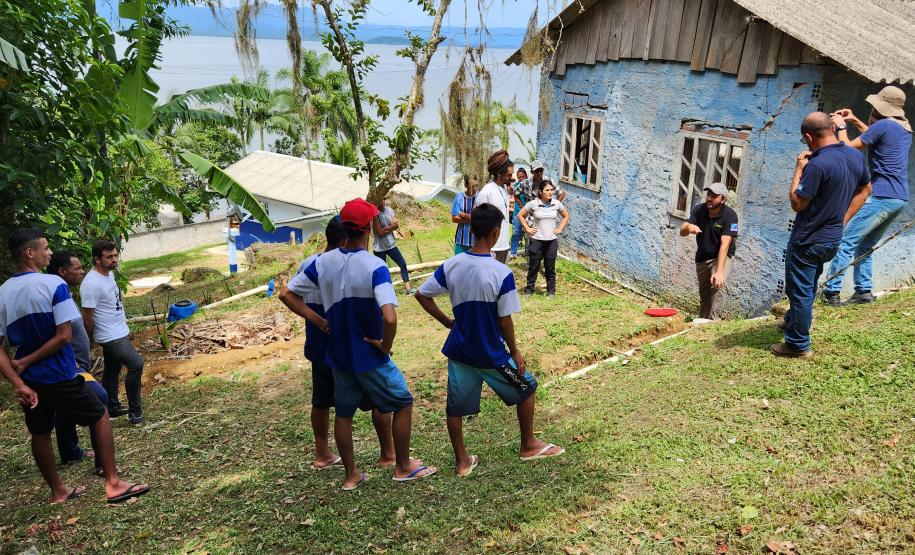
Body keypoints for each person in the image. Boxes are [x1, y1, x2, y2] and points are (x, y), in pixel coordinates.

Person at [296, 198, 437, 490]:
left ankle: (351, 475)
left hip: (338, 354)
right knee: (403, 401)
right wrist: (384, 345)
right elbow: (390, 316)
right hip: (369, 355)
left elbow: (286, 294)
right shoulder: (375, 266)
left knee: (343, 414)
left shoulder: (322, 262)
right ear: (367, 230)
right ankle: (402, 465)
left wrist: (319, 321)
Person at [415, 203, 564, 476]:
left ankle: (462, 461)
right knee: (528, 388)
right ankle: (528, 444)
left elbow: (422, 295)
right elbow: (504, 320)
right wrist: (515, 352)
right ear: (496, 232)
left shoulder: (451, 265)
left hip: (460, 350)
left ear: (472, 229)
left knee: (455, 408)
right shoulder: (501, 272)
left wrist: (447, 321)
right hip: (490, 353)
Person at [0, 229, 149, 504]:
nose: (49, 252)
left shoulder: (3, 292)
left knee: (40, 432)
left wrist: (19, 381)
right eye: (45, 247)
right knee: (100, 414)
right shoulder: (53, 285)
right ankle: (113, 483)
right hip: (60, 372)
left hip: (30, 380)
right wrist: (28, 360)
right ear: (30, 253)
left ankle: (58, 491)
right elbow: (64, 336)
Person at [279, 217, 397, 471]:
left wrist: (317, 321)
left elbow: (288, 295)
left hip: (319, 346)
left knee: (322, 401)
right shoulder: (351, 264)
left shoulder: (309, 263)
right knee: (379, 399)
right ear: (348, 238)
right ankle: (388, 453)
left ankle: (322, 452)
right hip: (354, 346)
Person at [772, 112, 870, 358]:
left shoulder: (817, 164)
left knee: (800, 289)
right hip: (832, 239)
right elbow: (865, 190)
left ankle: (797, 344)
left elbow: (798, 203)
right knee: (807, 283)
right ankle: (792, 319)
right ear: (832, 129)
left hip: (808, 239)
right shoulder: (855, 156)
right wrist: (843, 219)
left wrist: (798, 169)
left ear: (808, 137)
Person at [823, 86, 912, 305]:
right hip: (898, 197)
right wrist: (854, 120)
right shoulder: (902, 126)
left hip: (882, 195)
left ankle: (831, 293)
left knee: (847, 241)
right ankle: (863, 292)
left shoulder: (882, 126)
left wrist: (841, 126)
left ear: (881, 108)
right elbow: (872, 136)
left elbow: (849, 148)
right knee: (865, 246)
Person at [47, 251, 108, 474]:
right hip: (70, 365)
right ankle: (103, 464)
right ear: (62, 271)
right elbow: (53, 334)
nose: (82, 271)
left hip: (77, 363)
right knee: (99, 398)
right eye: (78, 268)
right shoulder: (52, 293)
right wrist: (71, 361)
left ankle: (70, 452)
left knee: (64, 409)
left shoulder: (63, 291)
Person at [80, 240, 145, 424]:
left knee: (112, 369)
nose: (114, 259)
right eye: (109, 257)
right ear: (97, 259)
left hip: (118, 330)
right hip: (109, 335)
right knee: (136, 364)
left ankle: (111, 406)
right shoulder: (91, 283)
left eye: (115, 255)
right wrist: (89, 340)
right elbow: (87, 317)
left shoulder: (108, 274)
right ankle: (135, 412)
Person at [679, 182, 739, 320]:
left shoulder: (730, 216)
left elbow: (725, 244)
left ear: (723, 199)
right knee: (704, 294)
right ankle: (702, 322)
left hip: (722, 257)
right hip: (702, 257)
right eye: (708, 195)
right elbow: (682, 231)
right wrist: (688, 227)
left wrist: (720, 271)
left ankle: (714, 322)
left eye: (714, 196)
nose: (709, 198)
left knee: (717, 286)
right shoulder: (699, 209)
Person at [517, 179, 570, 297]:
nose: (550, 192)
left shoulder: (556, 203)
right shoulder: (533, 203)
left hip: (551, 241)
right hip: (537, 240)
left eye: (551, 190)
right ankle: (529, 290)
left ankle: (551, 291)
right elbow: (520, 215)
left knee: (550, 267)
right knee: (533, 267)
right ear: (541, 192)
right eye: (547, 190)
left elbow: (566, 216)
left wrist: (560, 228)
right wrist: (528, 228)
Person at [476, 150, 515, 263]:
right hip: (491, 248)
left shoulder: (504, 189)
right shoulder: (486, 192)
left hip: (504, 246)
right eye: (509, 174)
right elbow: (479, 222)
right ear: (499, 173)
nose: (511, 177)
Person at [372, 197, 413, 295]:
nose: (381, 202)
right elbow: (380, 233)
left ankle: (408, 289)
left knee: (402, 263)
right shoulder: (375, 214)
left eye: (382, 199)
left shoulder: (389, 210)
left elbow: (396, 225)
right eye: (379, 200)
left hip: (391, 245)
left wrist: (386, 228)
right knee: (381, 270)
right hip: (379, 248)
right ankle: (383, 292)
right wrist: (391, 227)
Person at [451, 175, 477, 255]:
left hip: (476, 241)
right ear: (465, 185)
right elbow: (454, 218)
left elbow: (480, 218)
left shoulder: (480, 197)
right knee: (459, 262)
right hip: (461, 241)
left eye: (475, 186)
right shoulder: (459, 197)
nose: (473, 189)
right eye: (470, 186)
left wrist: (461, 214)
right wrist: (472, 218)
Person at [510, 167, 531, 259]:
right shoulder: (516, 185)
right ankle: (513, 252)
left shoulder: (529, 185)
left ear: (526, 176)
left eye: (523, 176)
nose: (521, 178)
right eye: (519, 177)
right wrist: (523, 207)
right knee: (516, 232)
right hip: (518, 213)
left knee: (528, 234)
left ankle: (528, 252)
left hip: (529, 214)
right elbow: (516, 197)